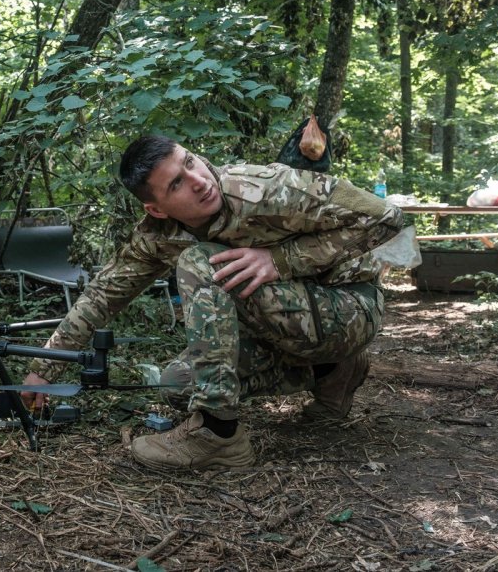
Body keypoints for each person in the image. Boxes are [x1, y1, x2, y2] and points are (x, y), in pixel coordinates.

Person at [21, 135, 403, 470]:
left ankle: (219, 434)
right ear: (157, 209)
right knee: (178, 384)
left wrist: (281, 260)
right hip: (290, 322)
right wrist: (44, 369)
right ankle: (332, 371)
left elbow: (386, 215)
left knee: (201, 263)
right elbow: (102, 296)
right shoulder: (157, 235)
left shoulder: (265, 189)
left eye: (190, 162)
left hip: (349, 306)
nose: (199, 181)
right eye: (177, 184)